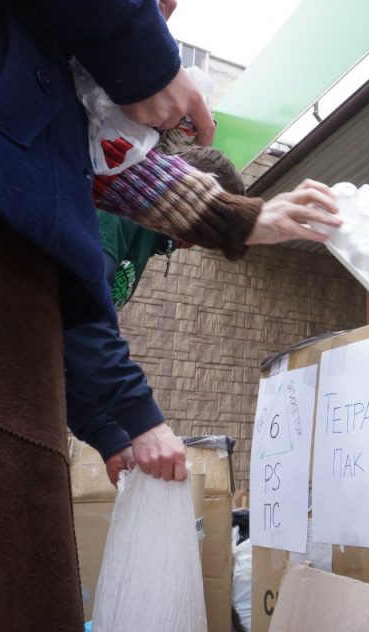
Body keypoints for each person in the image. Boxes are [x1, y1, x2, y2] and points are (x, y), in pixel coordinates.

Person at [0, 2, 340, 632]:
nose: (164, 12)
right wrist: (141, 53)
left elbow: (95, 164)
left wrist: (243, 218)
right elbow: (84, 286)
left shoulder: (51, 95)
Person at [66, 147, 246, 488]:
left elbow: (68, 350)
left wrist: (111, 438)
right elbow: (77, 311)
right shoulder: (118, 212)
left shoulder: (149, 240)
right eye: (204, 229)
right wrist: (143, 423)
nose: (195, 245)